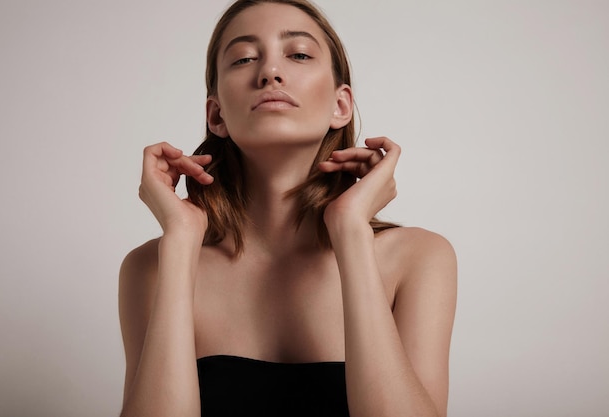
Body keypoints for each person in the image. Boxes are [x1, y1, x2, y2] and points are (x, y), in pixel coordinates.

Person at [118, 0, 457, 416]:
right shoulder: (149, 268)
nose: (269, 73)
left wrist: (352, 233)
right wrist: (180, 243)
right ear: (216, 114)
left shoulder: (417, 259)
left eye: (298, 54)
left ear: (341, 105)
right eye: (243, 58)